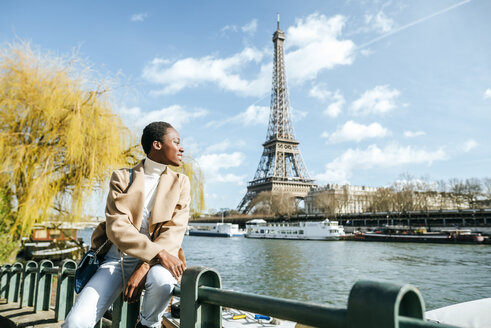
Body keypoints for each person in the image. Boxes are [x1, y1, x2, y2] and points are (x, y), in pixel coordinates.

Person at [63, 121, 190, 328]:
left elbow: (174, 231)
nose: (181, 148)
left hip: (159, 261)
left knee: (162, 281)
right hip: (117, 259)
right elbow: (117, 228)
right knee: (75, 323)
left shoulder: (181, 182)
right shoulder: (122, 177)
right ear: (157, 145)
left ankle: (148, 325)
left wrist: (146, 264)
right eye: (176, 142)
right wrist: (158, 254)